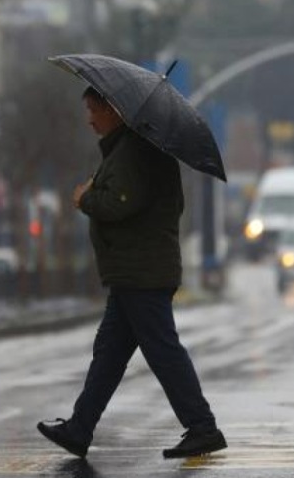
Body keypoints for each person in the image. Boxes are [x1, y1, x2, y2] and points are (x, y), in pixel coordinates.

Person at [37, 86, 226, 459]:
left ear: (114, 109)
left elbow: (120, 203)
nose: (90, 118)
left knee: (162, 350)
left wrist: (85, 198)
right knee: (109, 352)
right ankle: (79, 428)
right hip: (135, 271)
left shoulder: (135, 151)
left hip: (142, 271)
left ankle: (203, 427)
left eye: (94, 109)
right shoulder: (133, 149)